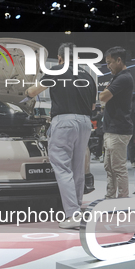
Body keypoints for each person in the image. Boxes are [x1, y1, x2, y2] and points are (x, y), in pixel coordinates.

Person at [26, 43, 97, 229]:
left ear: (59, 58)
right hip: (85, 123)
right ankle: (77, 211)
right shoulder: (88, 76)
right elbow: (93, 107)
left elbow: (33, 92)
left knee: (62, 167)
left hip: (65, 122)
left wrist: (24, 92)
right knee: (77, 169)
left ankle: (72, 214)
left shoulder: (56, 70)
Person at [99, 47, 134, 199]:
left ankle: (123, 199)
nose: (108, 66)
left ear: (119, 60)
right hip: (112, 129)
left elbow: (103, 97)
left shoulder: (124, 78)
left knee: (118, 168)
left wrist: (104, 92)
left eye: (109, 63)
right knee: (109, 166)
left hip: (118, 130)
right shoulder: (118, 77)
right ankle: (110, 196)